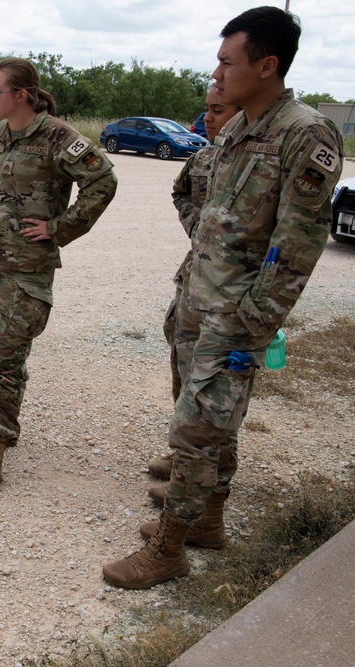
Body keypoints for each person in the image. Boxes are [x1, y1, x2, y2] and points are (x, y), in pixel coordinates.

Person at [103, 6, 344, 589]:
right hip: (199, 299)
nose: (217, 69)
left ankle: (170, 550)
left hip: (235, 313)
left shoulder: (306, 133)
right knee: (210, 420)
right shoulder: (238, 127)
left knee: (194, 430)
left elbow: (299, 240)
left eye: (226, 60)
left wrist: (254, 319)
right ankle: (209, 519)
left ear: (267, 64)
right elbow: (213, 210)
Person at [0, 57, 118, 497]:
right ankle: (3, 421)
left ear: (22, 96)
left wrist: (59, 227)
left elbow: (102, 181)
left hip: (27, 267)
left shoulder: (57, 137)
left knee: (6, 357)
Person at [146, 87, 243, 508]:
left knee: (214, 387)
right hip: (194, 280)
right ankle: (186, 458)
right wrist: (198, 227)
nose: (208, 117)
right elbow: (180, 193)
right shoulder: (202, 159)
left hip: (229, 293)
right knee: (183, 368)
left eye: (218, 110)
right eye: (205, 110)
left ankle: (209, 479)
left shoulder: (250, 163)